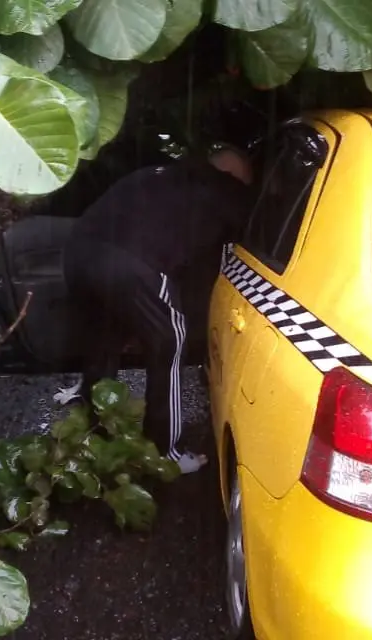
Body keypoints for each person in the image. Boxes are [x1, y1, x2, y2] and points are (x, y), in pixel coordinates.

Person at [60, 144, 256, 474]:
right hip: (131, 263)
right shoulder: (224, 189)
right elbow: (232, 250)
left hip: (78, 253)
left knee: (103, 330)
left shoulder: (156, 174)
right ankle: (167, 450)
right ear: (231, 175)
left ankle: (89, 408)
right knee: (171, 338)